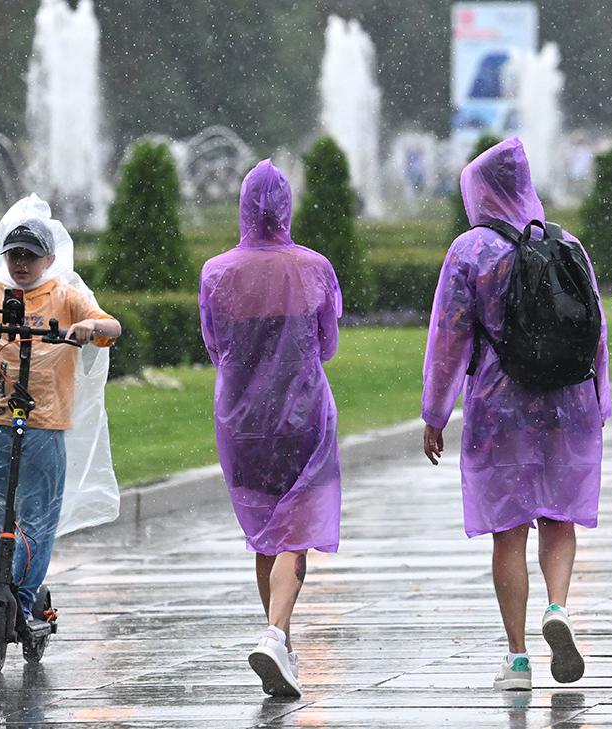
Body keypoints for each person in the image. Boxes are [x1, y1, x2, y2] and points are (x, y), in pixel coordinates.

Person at [420, 137, 610, 691]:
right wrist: (601, 397)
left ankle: (519, 658)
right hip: (568, 401)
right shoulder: (567, 243)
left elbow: (448, 337)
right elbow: (595, 328)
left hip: (500, 405)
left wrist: (436, 410)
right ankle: (558, 607)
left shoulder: (470, 252)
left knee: (509, 531)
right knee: (559, 517)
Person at [198, 160, 343, 698]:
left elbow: (215, 347)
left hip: (242, 421)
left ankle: (278, 639)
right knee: (295, 532)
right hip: (302, 414)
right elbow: (326, 343)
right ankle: (276, 634)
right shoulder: (313, 267)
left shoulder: (216, 272)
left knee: (266, 534)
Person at [0, 194, 122, 633]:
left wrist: (88, 327)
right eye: (14, 255)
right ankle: (5, 585)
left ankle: (24, 597)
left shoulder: (66, 294)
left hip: (46, 418)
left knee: (39, 513)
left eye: (30, 255)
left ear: (48, 258)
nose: (21, 264)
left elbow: (112, 328)